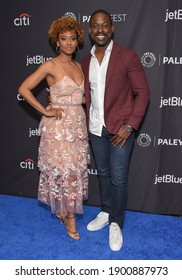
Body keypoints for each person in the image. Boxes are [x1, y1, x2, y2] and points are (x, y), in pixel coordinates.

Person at [81, 9, 150, 251]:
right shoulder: (85, 62)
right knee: (104, 174)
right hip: (95, 128)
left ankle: (116, 222)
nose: (100, 30)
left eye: (104, 26)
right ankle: (106, 210)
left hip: (121, 129)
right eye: (95, 26)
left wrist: (130, 125)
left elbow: (143, 93)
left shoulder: (127, 56)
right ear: (90, 31)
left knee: (119, 177)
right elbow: (83, 95)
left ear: (112, 28)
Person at [18, 16, 90, 240]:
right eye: (63, 39)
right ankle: (69, 217)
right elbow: (24, 88)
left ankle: (63, 208)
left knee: (74, 171)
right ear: (56, 42)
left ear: (77, 41)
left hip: (78, 125)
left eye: (72, 38)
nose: (68, 43)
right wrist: (46, 110)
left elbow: (82, 98)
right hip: (59, 128)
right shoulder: (51, 65)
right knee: (65, 172)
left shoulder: (79, 65)